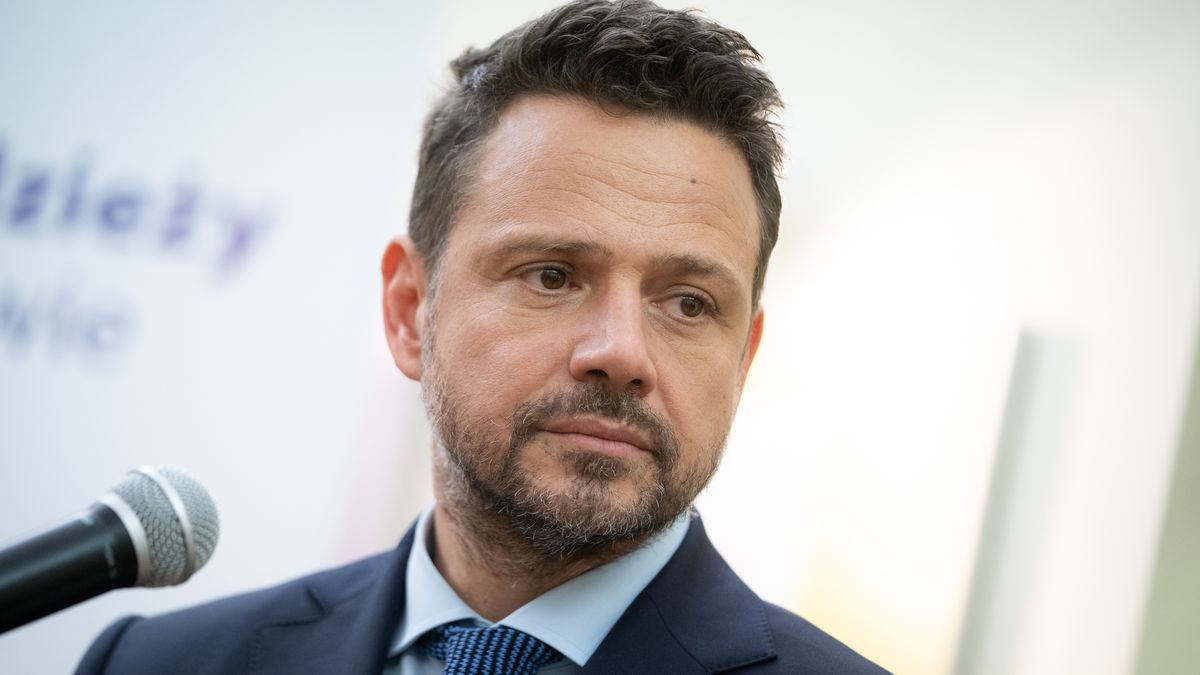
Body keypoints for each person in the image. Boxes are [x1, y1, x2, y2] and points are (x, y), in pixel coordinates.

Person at [76, 1, 886, 673]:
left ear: (743, 359)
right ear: (408, 311)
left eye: (687, 302)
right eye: (553, 275)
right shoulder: (161, 663)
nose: (623, 351)